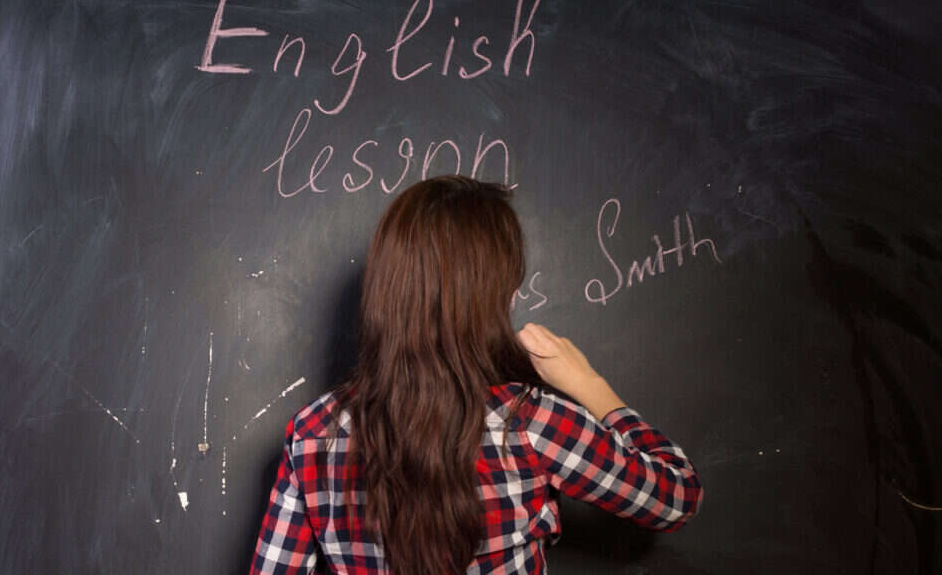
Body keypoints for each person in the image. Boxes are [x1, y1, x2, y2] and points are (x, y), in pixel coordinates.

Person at [249, 175, 702, 575]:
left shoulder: (314, 433)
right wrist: (590, 385)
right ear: (493, 296)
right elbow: (677, 497)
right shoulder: (532, 424)